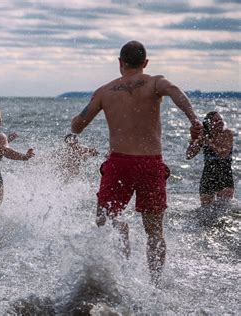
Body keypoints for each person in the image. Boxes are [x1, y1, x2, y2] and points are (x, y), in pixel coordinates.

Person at [70, 41, 202, 285]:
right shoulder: (155, 82)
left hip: (119, 163)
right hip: (151, 164)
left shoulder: (104, 91)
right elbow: (176, 92)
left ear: (120, 63)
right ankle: (154, 285)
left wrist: (77, 118)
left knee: (105, 217)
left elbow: (77, 126)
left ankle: (122, 246)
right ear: (145, 63)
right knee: (154, 231)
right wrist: (194, 119)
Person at [186, 111, 234, 208]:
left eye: (221, 119)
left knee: (224, 210)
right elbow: (189, 155)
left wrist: (207, 140)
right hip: (208, 175)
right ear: (209, 124)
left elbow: (223, 154)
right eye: (216, 120)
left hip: (224, 175)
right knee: (205, 211)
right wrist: (194, 139)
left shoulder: (227, 133)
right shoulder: (204, 135)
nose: (220, 122)